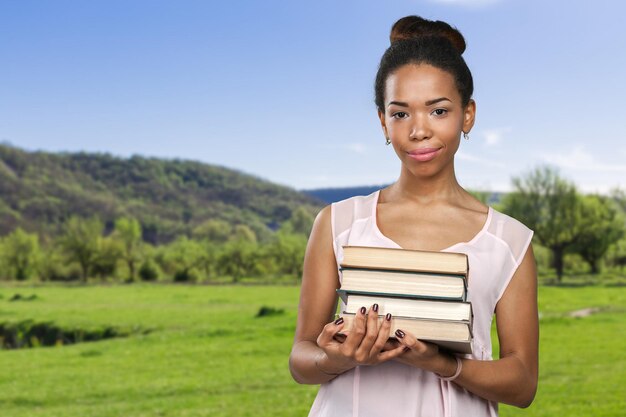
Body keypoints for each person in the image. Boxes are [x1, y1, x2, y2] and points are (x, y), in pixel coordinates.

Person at [289, 15, 539, 417]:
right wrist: (341, 358)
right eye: (401, 114)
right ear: (383, 122)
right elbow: (300, 360)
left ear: (467, 114)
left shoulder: (509, 242)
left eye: (438, 111)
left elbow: (523, 384)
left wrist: (444, 365)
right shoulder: (337, 223)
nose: (418, 131)